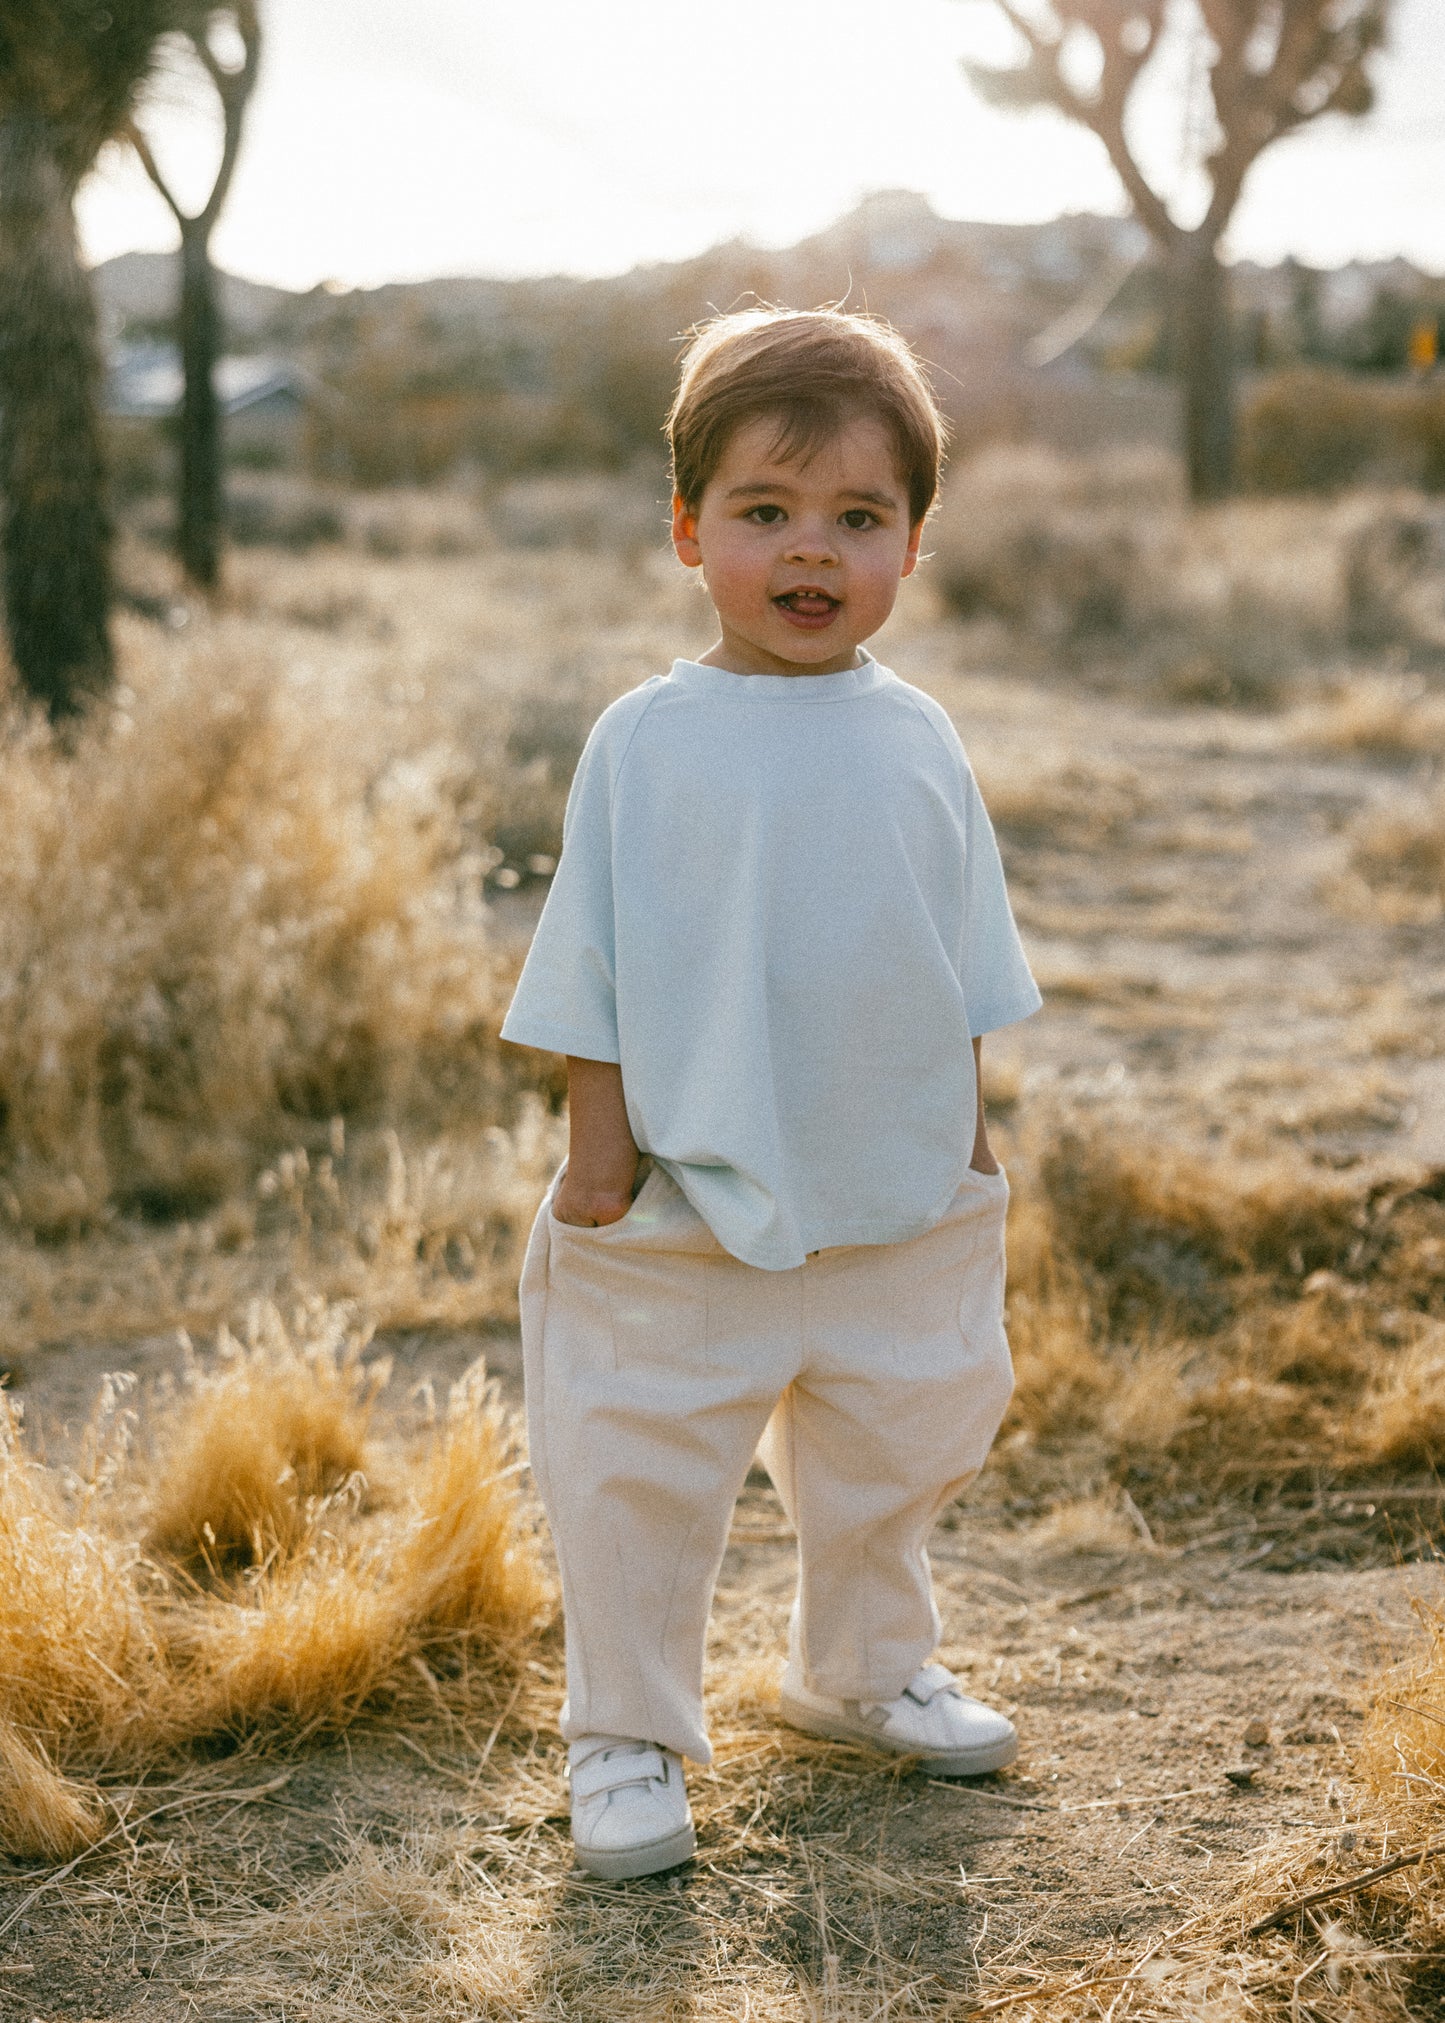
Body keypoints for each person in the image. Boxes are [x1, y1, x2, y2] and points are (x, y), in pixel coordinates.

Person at [500, 307, 1042, 1881]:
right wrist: (597, 1165)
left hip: (889, 1187)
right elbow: (584, 966)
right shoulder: (647, 742)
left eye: (857, 520)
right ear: (686, 530)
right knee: (634, 1466)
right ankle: (625, 1729)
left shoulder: (918, 739)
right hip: (680, 1190)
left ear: (913, 547)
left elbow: (962, 956)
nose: (812, 552)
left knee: (898, 1444)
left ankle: (857, 1669)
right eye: (764, 513)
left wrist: (969, 1138)